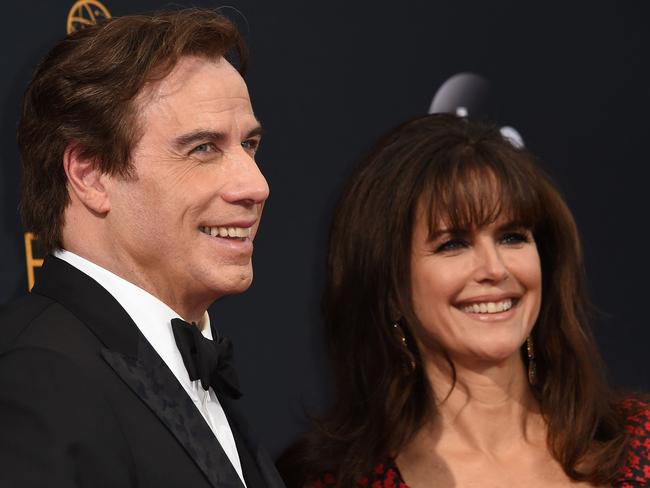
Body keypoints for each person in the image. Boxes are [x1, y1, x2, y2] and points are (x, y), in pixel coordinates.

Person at [278, 114, 649, 487]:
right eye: (453, 244)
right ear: (390, 287)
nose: (495, 268)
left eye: (512, 237)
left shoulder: (640, 440)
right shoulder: (333, 481)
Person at [0, 9, 284, 488]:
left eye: (249, 145)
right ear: (89, 174)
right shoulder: (33, 379)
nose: (256, 186)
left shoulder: (188, 368)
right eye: (203, 149)